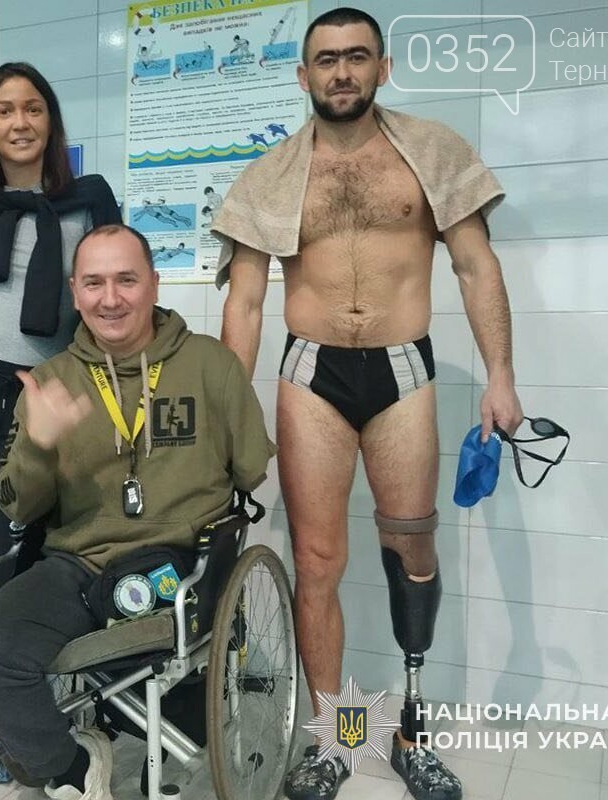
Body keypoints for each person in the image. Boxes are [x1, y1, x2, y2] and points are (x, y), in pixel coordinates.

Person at [211, 9, 523, 800]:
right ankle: (337, 739)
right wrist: (227, 414)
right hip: (310, 372)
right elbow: (244, 303)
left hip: (402, 370)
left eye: (356, 57)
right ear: (303, 75)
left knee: (412, 551)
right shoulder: (270, 175)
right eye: (326, 59)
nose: (341, 71)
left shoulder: (432, 152)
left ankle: (411, 733)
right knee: (317, 563)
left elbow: (477, 268)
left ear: (382, 68)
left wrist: (501, 377)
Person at [0, 223, 276, 800]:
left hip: (183, 570)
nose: (110, 298)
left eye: (127, 280)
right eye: (94, 283)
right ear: (74, 293)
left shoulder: (212, 365)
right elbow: (16, 505)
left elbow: (251, 471)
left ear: (154, 283)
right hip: (77, 567)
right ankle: (73, 767)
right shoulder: (50, 383)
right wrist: (39, 445)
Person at [0, 62, 120, 628]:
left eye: (33, 109)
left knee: (24, 547)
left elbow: (112, 292)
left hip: (42, 394)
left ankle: (19, 663)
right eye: (4, 111)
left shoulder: (90, 200)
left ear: (51, 122)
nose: (20, 122)